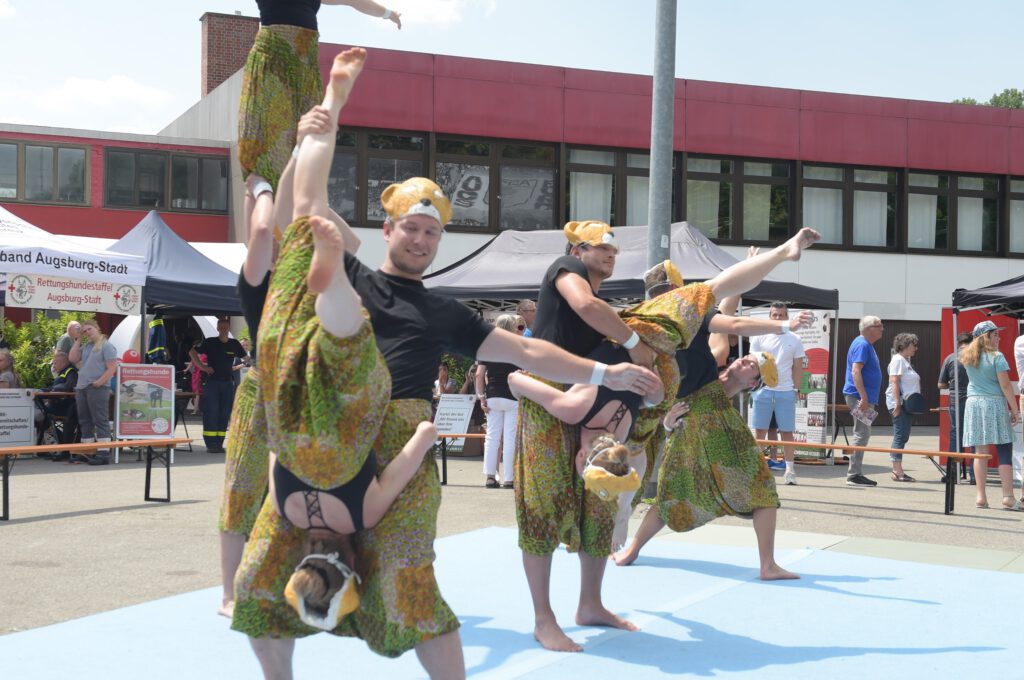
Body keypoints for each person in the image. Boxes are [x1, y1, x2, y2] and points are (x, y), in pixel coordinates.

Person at [231, 48, 658, 680]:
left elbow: (529, 350)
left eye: (432, 234)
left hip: (396, 433)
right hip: (326, 423)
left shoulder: (442, 311)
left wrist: (606, 372)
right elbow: (309, 210)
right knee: (257, 580)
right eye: (412, 228)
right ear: (387, 229)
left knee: (409, 580)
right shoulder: (351, 270)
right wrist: (323, 121)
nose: (422, 240)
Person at [516, 220, 820, 653]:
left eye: (613, 250)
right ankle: (545, 618)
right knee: (544, 509)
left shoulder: (628, 340)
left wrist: (636, 348)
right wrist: (640, 354)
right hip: (587, 382)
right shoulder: (568, 271)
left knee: (600, 505)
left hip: (617, 377)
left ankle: (590, 604)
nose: (608, 254)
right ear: (575, 249)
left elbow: (715, 325)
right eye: (597, 248)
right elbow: (587, 308)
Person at [219, 106, 359, 619]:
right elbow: (266, 230)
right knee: (247, 486)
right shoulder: (264, 282)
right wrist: (265, 186)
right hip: (277, 393)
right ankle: (233, 590)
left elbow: (344, 238)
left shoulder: (312, 278)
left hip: (298, 392)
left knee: (286, 491)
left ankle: (263, 582)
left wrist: (301, 169)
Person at [960, 321, 1022, 511]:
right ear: (986, 336)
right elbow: (1005, 386)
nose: (999, 338)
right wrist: (1015, 410)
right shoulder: (997, 356)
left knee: (980, 452)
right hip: (994, 403)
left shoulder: (967, 356)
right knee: (1004, 449)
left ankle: (981, 497)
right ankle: (1008, 497)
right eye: (995, 334)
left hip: (974, 403)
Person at [750, 302, 807, 486]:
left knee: (787, 432)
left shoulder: (795, 339)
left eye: (781, 315)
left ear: (787, 317)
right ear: (769, 316)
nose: (777, 318)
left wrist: (795, 389)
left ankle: (790, 470)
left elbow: (798, 367)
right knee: (760, 431)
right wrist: (756, 387)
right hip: (763, 391)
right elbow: (753, 364)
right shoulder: (759, 337)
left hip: (785, 391)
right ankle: (758, 470)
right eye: (774, 315)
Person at [476, 313, 524, 488]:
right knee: (510, 438)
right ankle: (510, 478)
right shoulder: (518, 346)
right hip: (513, 396)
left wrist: (481, 397)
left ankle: (490, 476)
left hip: (493, 395)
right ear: (511, 328)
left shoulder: (487, 347)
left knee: (492, 437)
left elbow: (479, 374)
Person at [189, 319, 246, 454]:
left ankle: (219, 444)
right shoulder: (210, 342)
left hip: (228, 383)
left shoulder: (234, 343)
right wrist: (203, 367)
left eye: (226, 327)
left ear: (229, 327)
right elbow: (192, 352)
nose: (223, 329)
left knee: (224, 413)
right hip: (212, 383)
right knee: (212, 412)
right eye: (221, 327)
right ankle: (210, 444)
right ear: (218, 328)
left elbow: (246, 357)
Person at [68, 319, 118, 466]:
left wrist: (100, 382)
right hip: (82, 387)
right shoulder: (86, 346)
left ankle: (103, 453)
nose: (87, 333)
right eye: (84, 331)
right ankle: (88, 450)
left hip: (97, 387)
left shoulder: (106, 345)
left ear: (97, 328)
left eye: (89, 329)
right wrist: (78, 340)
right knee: (84, 420)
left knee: (100, 419)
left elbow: (112, 368)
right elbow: (72, 358)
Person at [842, 315, 885, 487]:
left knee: (863, 432)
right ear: (868, 328)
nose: (882, 328)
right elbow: (855, 371)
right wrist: (864, 397)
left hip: (861, 396)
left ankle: (855, 473)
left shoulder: (866, 345)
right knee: (861, 433)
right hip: (859, 397)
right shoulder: (862, 344)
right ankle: (853, 475)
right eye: (879, 325)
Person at [886, 333, 921, 482]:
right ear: (905, 346)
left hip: (906, 404)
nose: (916, 348)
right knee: (900, 436)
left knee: (903, 436)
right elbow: (894, 381)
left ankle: (897, 469)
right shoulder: (898, 360)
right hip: (900, 403)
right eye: (914, 345)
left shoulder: (904, 361)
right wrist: (897, 403)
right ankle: (897, 471)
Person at [939, 332, 974, 483]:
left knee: (956, 434)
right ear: (972, 342)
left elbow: (940, 384)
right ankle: (975, 475)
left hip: (956, 400)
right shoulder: (976, 356)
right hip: (974, 398)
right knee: (974, 434)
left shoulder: (950, 358)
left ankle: (953, 474)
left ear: (958, 343)